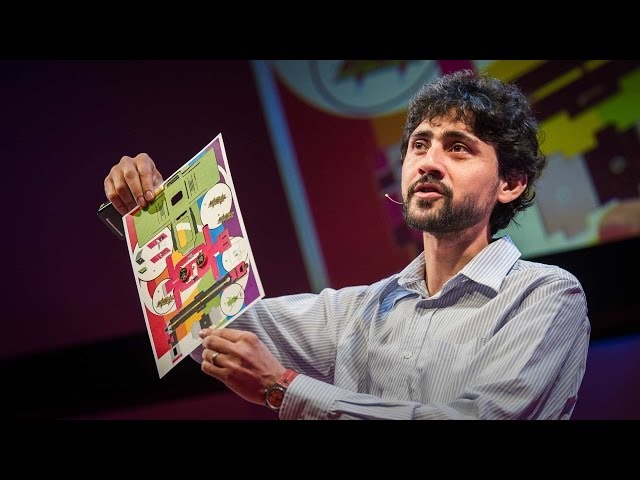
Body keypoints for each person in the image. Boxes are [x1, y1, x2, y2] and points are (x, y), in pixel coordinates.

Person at [104, 69, 590, 420]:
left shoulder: (546, 295)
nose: (428, 162)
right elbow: (213, 324)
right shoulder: (358, 313)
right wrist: (156, 216)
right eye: (419, 145)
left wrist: (284, 389)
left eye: (458, 147)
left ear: (510, 183)